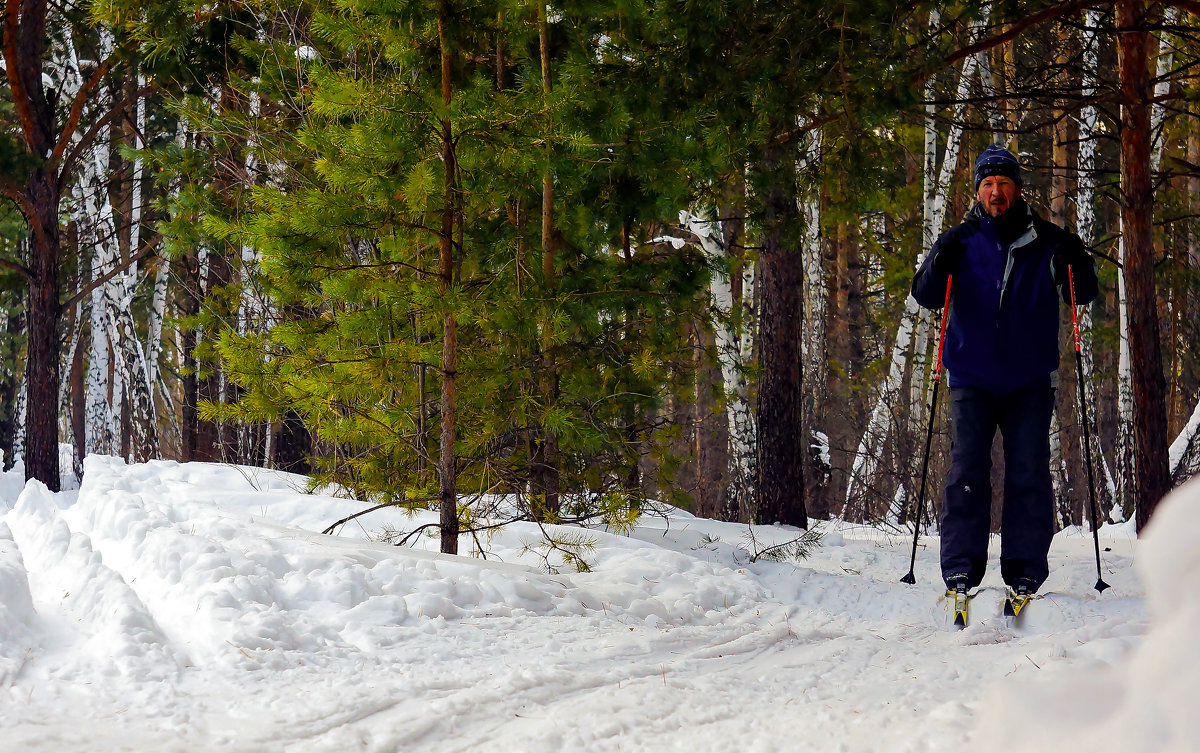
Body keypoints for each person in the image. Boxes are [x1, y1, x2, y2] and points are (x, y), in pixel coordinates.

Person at [911, 144, 1099, 600]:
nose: (996, 193)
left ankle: (1025, 569)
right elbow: (926, 295)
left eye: (1004, 184)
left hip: (1029, 379)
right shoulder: (961, 240)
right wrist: (939, 258)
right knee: (966, 473)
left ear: (1018, 189)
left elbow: (1083, 295)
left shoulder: (1049, 242)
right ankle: (960, 568)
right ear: (978, 192)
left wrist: (1078, 259)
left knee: (1028, 472)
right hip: (971, 376)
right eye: (988, 185)